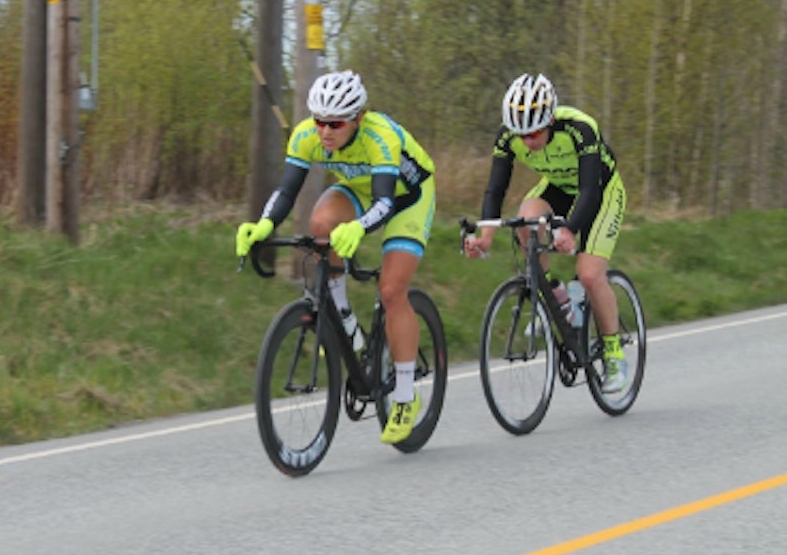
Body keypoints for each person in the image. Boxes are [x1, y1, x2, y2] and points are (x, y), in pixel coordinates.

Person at [235, 69, 436, 444]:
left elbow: (386, 202)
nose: (325, 131)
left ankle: (406, 395)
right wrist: (263, 225)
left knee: (392, 290)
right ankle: (343, 318)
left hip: (408, 196)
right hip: (360, 190)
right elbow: (286, 191)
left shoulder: (381, 136)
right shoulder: (306, 136)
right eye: (320, 121)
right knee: (321, 223)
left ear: (358, 118)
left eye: (336, 123)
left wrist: (360, 228)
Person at [462, 73, 630, 393]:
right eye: (521, 134)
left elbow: (589, 191)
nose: (528, 141)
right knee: (526, 222)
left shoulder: (580, 128)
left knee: (591, 274)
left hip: (600, 191)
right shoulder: (508, 137)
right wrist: (485, 237)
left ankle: (613, 353)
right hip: (557, 188)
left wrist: (569, 229)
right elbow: (495, 190)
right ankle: (559, 298)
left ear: (551, 118)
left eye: (535, 132)